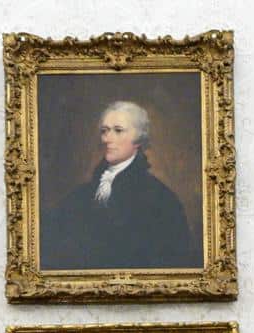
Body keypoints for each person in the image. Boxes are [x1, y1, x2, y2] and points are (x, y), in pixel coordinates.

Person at [40, 101, 199, 272]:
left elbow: (172, 261)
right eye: (104, 131)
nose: (107, 139)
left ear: (138, 139)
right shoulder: (82, 194)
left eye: (118, 130)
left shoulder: (160, 198)